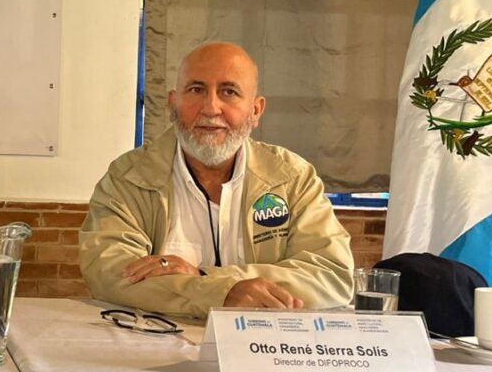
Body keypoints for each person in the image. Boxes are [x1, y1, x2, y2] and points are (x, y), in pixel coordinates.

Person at [79, 42, 353, 317]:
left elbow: (332, 275)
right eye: (196, 90)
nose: (211, 108)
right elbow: (110, 274)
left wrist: (204, 277)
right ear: (173, 104)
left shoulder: (293, 178)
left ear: (255, 111)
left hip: (263, 340)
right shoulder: (129, 177)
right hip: (156, 338)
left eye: (229, 92)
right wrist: (220, 293)